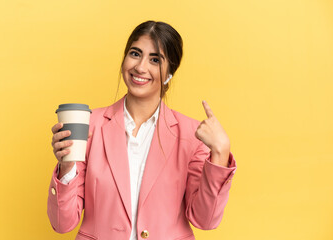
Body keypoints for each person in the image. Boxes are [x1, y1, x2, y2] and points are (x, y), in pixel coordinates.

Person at [48, 20, 237, 240]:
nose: (140, 67)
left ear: (169, 73)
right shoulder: (91, 125)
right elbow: (63, 223)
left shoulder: (192, 135)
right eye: (135, 54)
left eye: (155, 59)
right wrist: (66, 166)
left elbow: (205, 220)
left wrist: (221, 153)